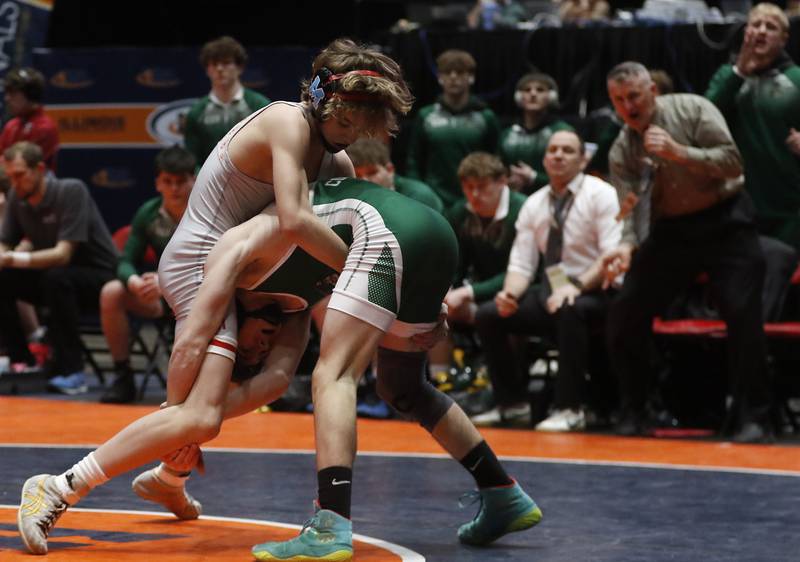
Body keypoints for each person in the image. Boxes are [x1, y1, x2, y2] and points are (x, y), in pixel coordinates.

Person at [15, 37, 414, 555]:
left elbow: (314, 246)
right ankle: (61, 485)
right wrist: (363, 266)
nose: (352, 134)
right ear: (321, 99)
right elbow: (295, 220)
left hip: (260, 270)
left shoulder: (338, 164)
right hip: (204, 263)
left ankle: (173, 470)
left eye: (363, 124)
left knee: (273, 382)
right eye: (347, 120)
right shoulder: (286, 122)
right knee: (197, 413)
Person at [602, 61, 773, 443]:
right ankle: (637, 409)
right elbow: (629, 209)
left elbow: (733, 162)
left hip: (727, 222)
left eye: (633, 96)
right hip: (672, 232)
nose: (628, 106)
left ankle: (754, 416)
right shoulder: (622, 149)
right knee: (625, 313)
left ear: (652, 92)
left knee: (743, 313)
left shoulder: (693, 109)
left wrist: (679, 152)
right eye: (618, 100)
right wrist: (627, 245)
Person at [474, 131, 621, 430]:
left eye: (567, 150)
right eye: (553, 150)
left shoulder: (601, 193)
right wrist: (510, 295)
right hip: (551, 292)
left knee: (570, 308)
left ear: (583, 159)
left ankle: (570, 408)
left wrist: (576, 287)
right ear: (544, 159)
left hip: (598, 291)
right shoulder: (535, 202)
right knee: (490, 314)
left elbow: (611, 255)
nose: (558, 155)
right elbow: (522, 263)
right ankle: (512, 404)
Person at [0, 142, 118, 393]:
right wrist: (3, 256)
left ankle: (73, 371)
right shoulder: (16, 197)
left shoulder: (71, 190)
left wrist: (11, 258)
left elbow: (63, 254)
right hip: (54, 278)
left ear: (40, 169)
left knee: (56, 278)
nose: (15, 182)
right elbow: (5, 241)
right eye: (10, 176)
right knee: (5, 278)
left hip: (100, 277)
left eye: (20, 175)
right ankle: (22, 359)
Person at [98, 146, 196, 404]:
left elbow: (216, 261)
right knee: (112, 292)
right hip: (161, 298)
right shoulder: (149, 214)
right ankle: (123, 376)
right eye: (168, 182)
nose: (174, 188)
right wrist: (134, 281)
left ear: (194, 180)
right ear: (158, 183)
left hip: (201, 292)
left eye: (181, 181)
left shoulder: (206, 211)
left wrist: (165, 282)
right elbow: (126, 261)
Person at [705, 3, 800, 248]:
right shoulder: (727, 74)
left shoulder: (796, 79)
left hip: (787, 204)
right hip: (736, 202)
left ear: (784, 39)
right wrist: (740, 72)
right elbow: (705, 118)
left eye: (771, 27)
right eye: (755, 24)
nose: (761, 31)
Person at [428, 152, 526, 381]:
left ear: (502, 181)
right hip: (479, 293)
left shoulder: (523, 210)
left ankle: (502, 385)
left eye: (482, 187)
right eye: (468, 187)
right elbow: (454, 262)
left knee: (500, 316)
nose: (474, 194)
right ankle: (441, 384)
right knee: (435, 309)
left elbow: (524, 270)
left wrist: (469, 291)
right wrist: (446, 289)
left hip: (518, 292)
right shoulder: (460, 212)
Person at [405, 49, 500, 209]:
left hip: (475, 196)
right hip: (434, 197)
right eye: (447, 72)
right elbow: (414, 160)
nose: (453, 77)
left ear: (471, 78)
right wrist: (419, 193)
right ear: (440, 78)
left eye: (460, 72)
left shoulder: (486, 117)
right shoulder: (426, 115)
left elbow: (496, 159)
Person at [183, 36, 271, 167]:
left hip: (252, 181)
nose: (219, 69)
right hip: (210, 184)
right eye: (214, 64)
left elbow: (271, 150)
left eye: (226, 63)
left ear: (239, 67)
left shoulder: (260, 105)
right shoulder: (196, 113)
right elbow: (192, 161)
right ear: (207, 70)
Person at [499, 72, 574, 194]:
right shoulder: (507, 134)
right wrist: (506, 180)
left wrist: (534, 177)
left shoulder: (563, 133)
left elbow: (572, 175)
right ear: (519, 97)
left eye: (540, 90)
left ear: (551, 97)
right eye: (527, 90)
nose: (533, 94)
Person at [345, 137, 443, 213]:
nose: (364, 180)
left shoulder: (419, 196)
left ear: (390, 169)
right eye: (357, 174)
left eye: (372, 172)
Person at [1, 67, 59, 172]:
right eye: (7, 93)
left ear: (31, 95)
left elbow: (23, 168)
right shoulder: (11, 125)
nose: (7, 98)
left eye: (13, 93)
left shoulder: (45, 128)